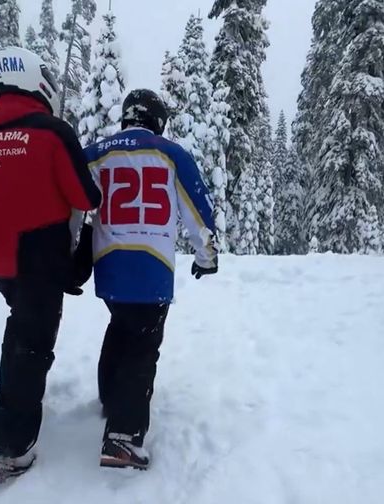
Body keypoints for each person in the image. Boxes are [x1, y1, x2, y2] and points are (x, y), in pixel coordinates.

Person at [0, 47, 102, 486]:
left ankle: (10, 417)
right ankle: (8, 448)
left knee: (22, 327)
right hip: (37, 254)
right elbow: (87, 197)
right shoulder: (51, 132)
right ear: (35, 81)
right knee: (32, 344)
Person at [82, 89, 219, 470]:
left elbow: (73, 200)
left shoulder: (96, 152)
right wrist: (207, 257)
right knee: (142, 347)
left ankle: (111, 399)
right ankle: (123, 438)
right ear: (157, 120)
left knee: (120, 326)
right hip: (152, 268)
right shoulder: (172, 154)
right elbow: (198, 212)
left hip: (108, 264)